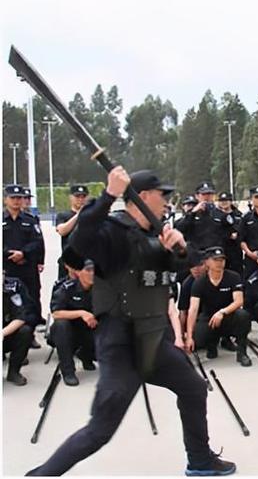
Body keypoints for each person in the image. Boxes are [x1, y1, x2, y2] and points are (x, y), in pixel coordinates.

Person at [26, 168, 236, 476]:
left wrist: (178, 247)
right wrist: (108, 195)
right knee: (100, 430)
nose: (166, 201)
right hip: (120, 343)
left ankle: (200, 460)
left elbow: (185, 266)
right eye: (162, 195)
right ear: (143, 196)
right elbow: (77, 246)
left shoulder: (155, 232)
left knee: (193, 388)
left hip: (153, 338)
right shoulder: (111, 230)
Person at [186, 246, 252, 366]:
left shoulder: (233, 277)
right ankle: (212, 343)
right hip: (208, 318)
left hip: (227, 315)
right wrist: (189, 336)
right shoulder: (199, 282)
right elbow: (193, 309)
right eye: (215, 260)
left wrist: (222, 312)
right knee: (199, 339)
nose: (219, 263)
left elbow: (239, 301)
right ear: (206, 262)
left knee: (243, 315)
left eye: (221, 260)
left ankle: (242, 352)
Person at [49, 256, 96, 386]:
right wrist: (81, 313)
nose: (92, 273)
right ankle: (68, 371)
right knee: (61, 325)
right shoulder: (66, 288)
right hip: (65, 334)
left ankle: (86, 355)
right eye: (88, 270)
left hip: (87, 330)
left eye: (94, 270)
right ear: (78, 272)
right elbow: (56, 313)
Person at [3, 185, 45, 328]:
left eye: (19, 198)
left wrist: (23, 253)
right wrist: (10, 254)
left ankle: (30, 331)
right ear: (5, 200)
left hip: (27, 266)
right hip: (7, 267)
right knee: (9, 300)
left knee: (32, 298)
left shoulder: (30, 219)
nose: (16, 201)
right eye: (13, 198)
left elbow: (37, 241)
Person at [175, 181, 230, 252]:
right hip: (196, 254)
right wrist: (193, 213)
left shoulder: (220, 214)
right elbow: (179, 228)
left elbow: (229, 234)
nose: (207, 197)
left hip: (215, 254)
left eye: (210, 194)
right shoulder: (191, 214)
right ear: (197, 196)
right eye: (204, 194)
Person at [3, 271, 34, 386]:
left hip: (6, 335)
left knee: (25, 331)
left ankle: (13, 372)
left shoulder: (14, 287)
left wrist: (2, 334)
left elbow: (21, 318)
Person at [56, 185, 89, 278]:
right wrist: (79, 214)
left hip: (87, 262)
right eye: (77, 196)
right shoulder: (63, 215)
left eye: (83, 197)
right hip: (68, 261)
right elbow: (62, 230)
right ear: (71, 197)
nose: (80, 199)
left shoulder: (91, 215)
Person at [178, 250, 207, 332]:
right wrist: (182, 335)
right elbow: (183, 312)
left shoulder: (214, 278)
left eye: (200, 265)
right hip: (196, 321)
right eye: (192, 265)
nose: (196, 269)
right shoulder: (187, 284)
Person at [215, 192, 243, 274]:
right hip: (220, 250)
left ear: (231, 201)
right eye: (221, 201)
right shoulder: (214, 215)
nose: (224, 203)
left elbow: (240, 231)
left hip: (235, 251)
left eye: (226, 200)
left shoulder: (238, 215)